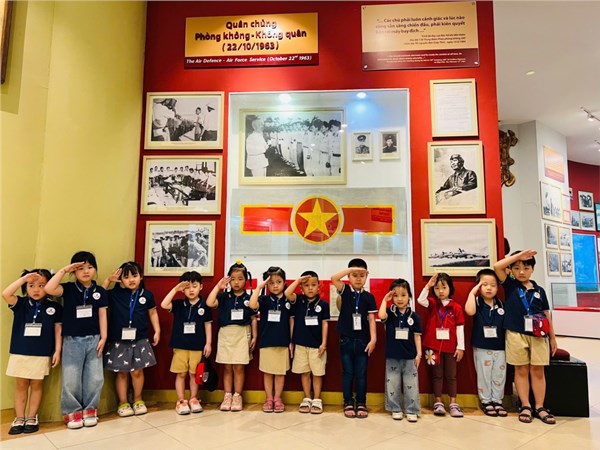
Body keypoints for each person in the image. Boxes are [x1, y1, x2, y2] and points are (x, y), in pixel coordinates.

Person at [44, 251, 108, 429]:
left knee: (95, 377)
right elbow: (49, 289)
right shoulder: (69, 288)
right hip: (72, 340)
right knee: (71, 378)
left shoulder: (100, 291)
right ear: (74, 271)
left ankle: (90, 409)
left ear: (95, 269)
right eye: (80, 268)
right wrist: (64, 270)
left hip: (94, 339)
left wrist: (103, 337)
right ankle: (72, 411)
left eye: (90, 267)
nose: (86, 271)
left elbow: (102, 315)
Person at [493, 250, 557, 425]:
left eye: (526, 268)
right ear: (511, 270)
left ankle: (540, 406)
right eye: (516, 268)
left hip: (538, 335)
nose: (521, 271)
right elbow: (497, 266)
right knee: (520, 370)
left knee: (538, 371)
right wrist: (519, 255)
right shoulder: (510, 285)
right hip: (515, 334)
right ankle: (525, 405)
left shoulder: (539, 290)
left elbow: (546, 314)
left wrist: (552, 337)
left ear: (533, 269)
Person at [2, 269, 62, 435]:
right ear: (25, 287)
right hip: (20, 352)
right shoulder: (20, 303)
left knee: (37, 385)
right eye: (31, 285)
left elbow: (58, 331)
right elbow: (5, 294)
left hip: (42, 353)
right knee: (21, 386)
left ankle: (31, 417)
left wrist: (57, 350)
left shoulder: (55, 307)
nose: (36, 289)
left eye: (41, 285)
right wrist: (23, 279)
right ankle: (19, 418)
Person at [101, 262, 160, 418]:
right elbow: (98, 296)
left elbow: (153, 313)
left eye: (134, 275)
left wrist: (157, 330)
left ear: (141, 276)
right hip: (118, 340)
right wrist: (108, 280)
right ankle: (123, 402)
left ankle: (138, 399)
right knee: (122, 373)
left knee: (137, 371)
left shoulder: (147, 295)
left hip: (140, 338)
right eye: (126, 277)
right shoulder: (114, 294)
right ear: (121, 280)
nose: (131, 280)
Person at [206, 261, 258, 412]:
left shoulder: (249, 298)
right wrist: (218, 287)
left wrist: (254, 337)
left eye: (240, 279)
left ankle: (237, 396)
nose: (236, 282)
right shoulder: (224, 297)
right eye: (233, 279)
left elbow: (254, 318)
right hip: (226, 334)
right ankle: (227, 395)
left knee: (239, 367)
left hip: (242, 333)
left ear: (246, 280)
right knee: (227, 367)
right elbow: (209, 302)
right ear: (228, 280)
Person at [331, 258, 377, 419]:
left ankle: (361, 402)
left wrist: (373, 339)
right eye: (354, 275)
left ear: (366, 276)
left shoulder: (369, 297)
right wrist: (351, 269)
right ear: (349, 276)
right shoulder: (345, 291)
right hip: (346, 339)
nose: (358, 279)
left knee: (361, 373)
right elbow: (334, 278)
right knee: (348, 372)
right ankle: (348, 402)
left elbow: (372, 319)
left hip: (363, 341)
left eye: (362, 275)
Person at [161, 271, 212, 415]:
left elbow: (208, 325)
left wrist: (208, 343)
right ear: (182, 289)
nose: (191, 290)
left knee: (194, 374)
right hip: (180, 345)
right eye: (187, 287)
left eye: (194, 286)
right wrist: (175, 289)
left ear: (201, 287)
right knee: (181, 374)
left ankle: (194, 399)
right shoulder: (178, 304)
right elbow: (164, 304)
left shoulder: (205, 305)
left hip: (197, 346)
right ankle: (181, 400)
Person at [417, 273, 465, 418]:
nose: (441, 291)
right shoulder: (433, 304)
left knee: (451, 375)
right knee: (437, 375)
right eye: (437, 288)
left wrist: (460, 347)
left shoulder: (456, 307)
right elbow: (420, 300)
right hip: (434, 347)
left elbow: (460, 327)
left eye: (444, 287)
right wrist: (428, 286)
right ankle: (438, 402)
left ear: (450, 288)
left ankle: (453, 403)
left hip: (451, 347)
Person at [285, 271, 330, 414]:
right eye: (306, 285)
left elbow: (325, 324)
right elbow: (287, 293)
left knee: (317, 373)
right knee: (304, 372)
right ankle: (307, 397)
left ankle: (317, 399)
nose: (310, 288)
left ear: (319, 287)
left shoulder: (323, 304)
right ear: (301, 288)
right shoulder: (298, 300)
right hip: (300, 344)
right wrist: (298, 280)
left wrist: (324, 343)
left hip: (317, 346)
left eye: (313, 285)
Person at [249, 267, 293, 413]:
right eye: (271, 283)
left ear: (284, 282)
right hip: (266, 341)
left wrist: (291, 340)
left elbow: (291, 321)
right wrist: (259, 287)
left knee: (280, 373)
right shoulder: (264, 300)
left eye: (279, 282)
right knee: (267, 372)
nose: (275, 285)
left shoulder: (289, 299)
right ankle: (269, 398)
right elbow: (252, 305)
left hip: (283, 341)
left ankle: (277, 398)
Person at [464, 269, 507, 417]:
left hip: (500, 347)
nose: (489, 288)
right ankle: (486, 401)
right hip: (481, 346)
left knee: (499, 375)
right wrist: (472, 293)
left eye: (493, 285)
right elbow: (469, 311)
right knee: (484, 375)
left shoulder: (501, 304)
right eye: (484, 284)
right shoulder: (476, 302)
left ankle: (497, 400)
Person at [378, 279, 422, 422]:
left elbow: (417, 336)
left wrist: (419, 354)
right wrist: (385, 300)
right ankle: (395, 408)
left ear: (409, 296)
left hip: (410, 356)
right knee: (392, 383)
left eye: (403, 295)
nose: (400, 299)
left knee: (411, 384)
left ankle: (411, 410)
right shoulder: (390, 313)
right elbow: (381, 316)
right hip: (392, 355)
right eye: (396, 295)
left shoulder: (414, 317)